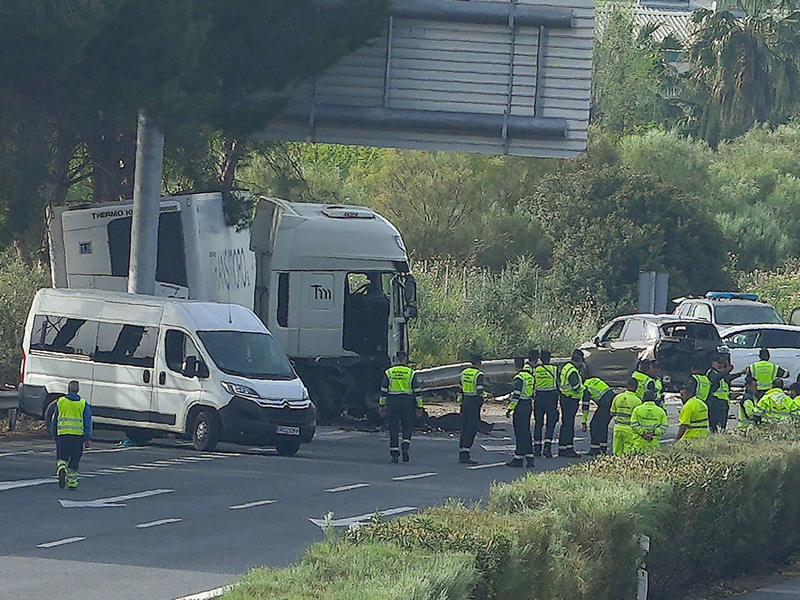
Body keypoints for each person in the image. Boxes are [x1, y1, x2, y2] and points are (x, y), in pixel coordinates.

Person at [48, 380, 92, 490]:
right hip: (77, 436)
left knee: (62, 456)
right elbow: (87, 421)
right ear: (78, 390)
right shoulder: (83, 403)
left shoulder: (61, 401)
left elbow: (55, 419)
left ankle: (62, 468)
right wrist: (88, 437)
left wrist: (54, 433)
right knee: (75, 458)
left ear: (68, 389)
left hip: (63, 435)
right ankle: (72, 482)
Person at [379, 352, 422, 463]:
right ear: (406, 359)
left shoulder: (389, 372)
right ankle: (405, 446)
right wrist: (419, 407)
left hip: (393, 401)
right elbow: (417, 391)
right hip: (407, 402)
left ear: (396, 359)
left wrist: (382, 405)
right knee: (407, 425)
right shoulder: (411, 373)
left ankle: (394, 453)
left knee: (393, 427)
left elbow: (384, 390)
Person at [506, 358, 535, 468]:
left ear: (516, 366)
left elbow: (516, 395)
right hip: (528, 404)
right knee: (526, 431)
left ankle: (518, 458)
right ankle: (529, 457)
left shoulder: (519, 378)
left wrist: (510, 409)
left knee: (519, 432)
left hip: (521, 406)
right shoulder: (530, 377)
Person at [458, 354, 488, 465]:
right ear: (479, 363)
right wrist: (487, 395)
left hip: (465, 401)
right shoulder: (479, 374)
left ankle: (462, 451)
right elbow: (480, 390)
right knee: (471, 428)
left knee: (464, 427)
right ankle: (466, 453)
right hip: (474, 402)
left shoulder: (463, 373)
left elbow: (460, 389)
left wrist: (460, 403)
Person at [558, 349, 585, 458]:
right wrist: (585, 388)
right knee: (569, 425)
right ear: (578, 360)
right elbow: (576, 387)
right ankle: (568, 448)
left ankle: (562, 448)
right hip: (571, 399)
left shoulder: (566, 367)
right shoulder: (573, 371)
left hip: (565, 397)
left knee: (565, 424)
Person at [533, 349, 559, 458]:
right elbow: (558, 382)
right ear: (549, 358)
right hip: (551, 397)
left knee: (538, 423)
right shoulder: (554, 369)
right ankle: (547, 448)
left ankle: (537, 449)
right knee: (550, 423)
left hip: (539, 397)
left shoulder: (536, 370)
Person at [581, 377, 615, 456]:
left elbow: (586, 407)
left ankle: (595, 449)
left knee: (594, 425)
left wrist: (584, 422)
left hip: (605, 403)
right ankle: (603, 448)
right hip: (613, 399)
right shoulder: (593, 380)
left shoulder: (585, 388)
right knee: (603, 425)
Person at [610, 378, 641, 455]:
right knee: (628, 452)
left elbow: (612, 413)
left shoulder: (618, 397)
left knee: (616, 451)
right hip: (629, 429)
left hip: (617, 428)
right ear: (636, 387)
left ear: (627, 386)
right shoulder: (637, 400)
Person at [707, 353, 733, 432]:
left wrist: (740, 373)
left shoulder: (722, 373)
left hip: (724, 403)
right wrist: (725, 371)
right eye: (719, 363)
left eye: (722, 363)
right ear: (713, 363)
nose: (721, 365)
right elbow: (715, 379)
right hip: (715, 403)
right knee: (714, 426)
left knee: (722, 427)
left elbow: (728, 379)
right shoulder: (711, 373)